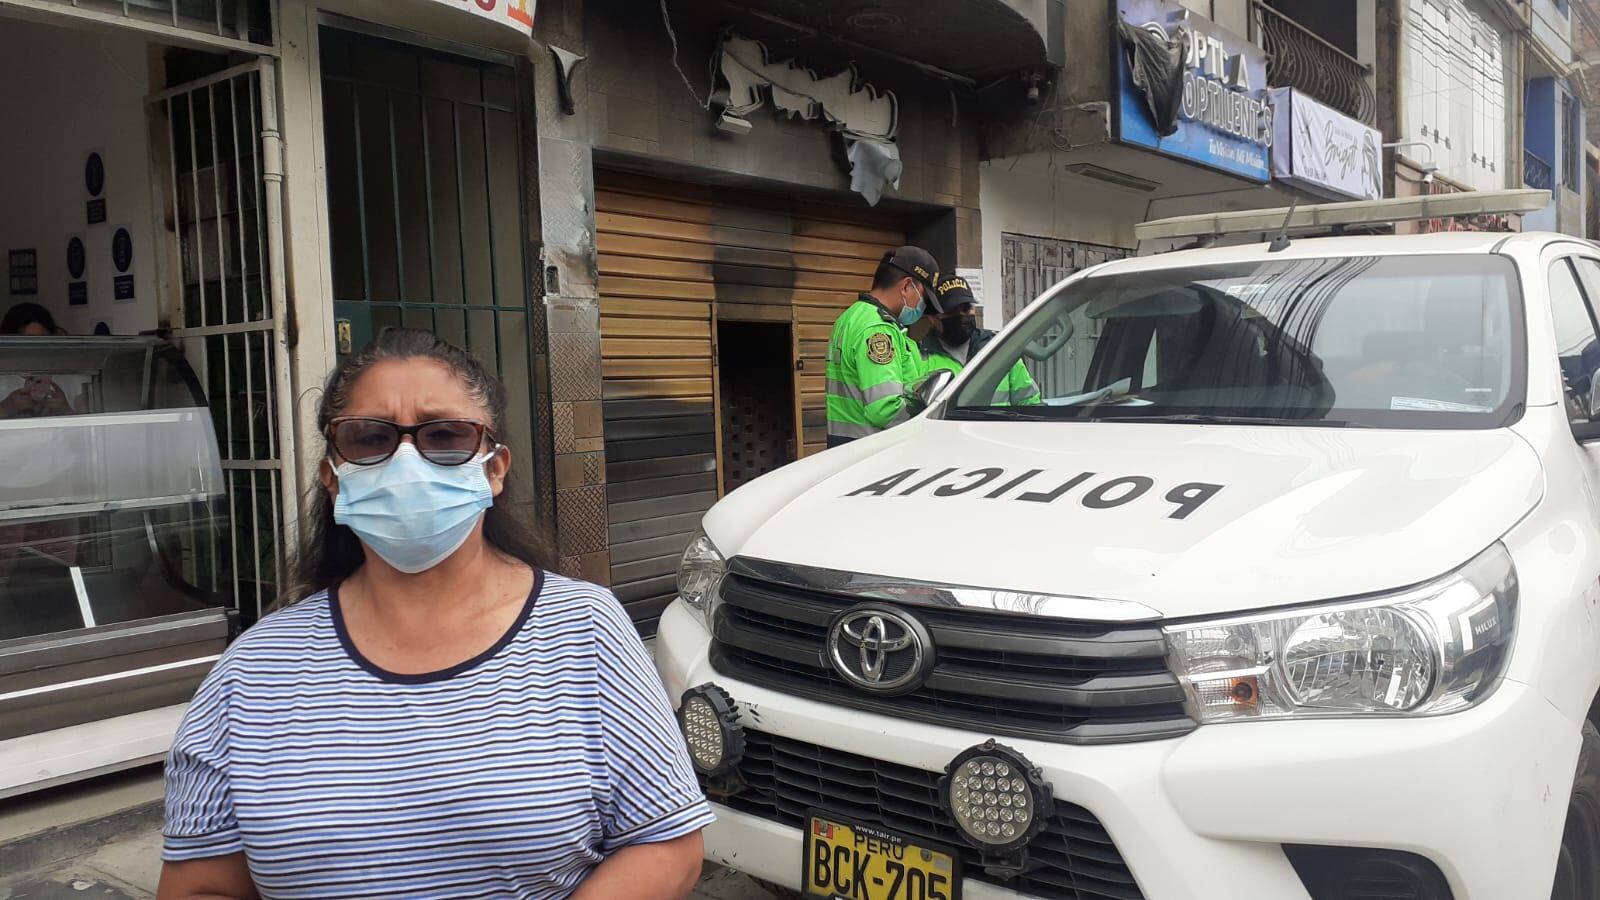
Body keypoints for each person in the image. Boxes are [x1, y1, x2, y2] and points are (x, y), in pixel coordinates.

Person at [157, 329, 713, 900]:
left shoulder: (583, 628)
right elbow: (201, 884)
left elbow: (666, 844)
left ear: (495, 470)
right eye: (369, 438)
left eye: (445, 434)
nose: (406, 461)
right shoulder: (255, 668)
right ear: (333, 478)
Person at [825, 245, 941, 446]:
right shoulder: (878, 329)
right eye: (923, 297)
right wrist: (929, 422)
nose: (922, 308)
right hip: (871, 449)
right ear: (906, 286)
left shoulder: (850, 317)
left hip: (846, 446)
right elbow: (885, 409)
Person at [922, 276, 1041, 405]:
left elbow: (1030, 402)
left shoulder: (999, 348)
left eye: (966, 309)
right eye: (951, 312)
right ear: (932, 318)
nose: (961, 316)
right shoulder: (919, 357)